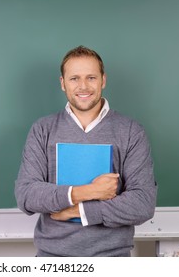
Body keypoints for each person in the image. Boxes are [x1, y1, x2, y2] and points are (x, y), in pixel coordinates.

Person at [14, 46, 157, 257]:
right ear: (63, 83)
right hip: (52, 259)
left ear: (103, 80)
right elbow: (26, 195)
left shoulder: (130, 131)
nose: (83, 86)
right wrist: (87, 191)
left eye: (91, 77)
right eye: (74, 78)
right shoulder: (42, 129)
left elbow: (143, 203)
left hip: (112, 259)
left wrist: (80, 211)